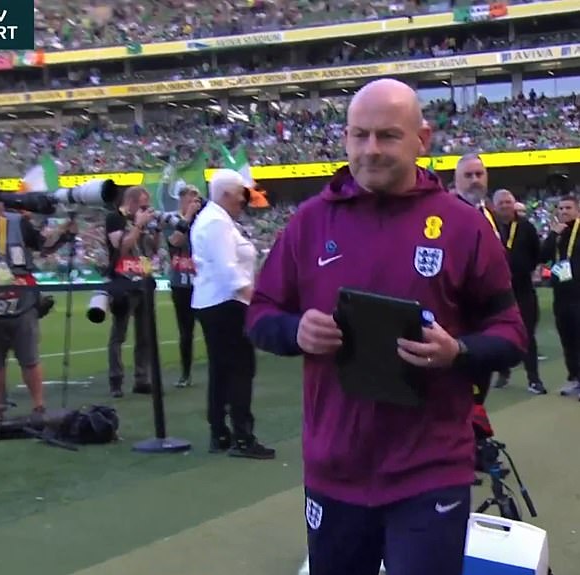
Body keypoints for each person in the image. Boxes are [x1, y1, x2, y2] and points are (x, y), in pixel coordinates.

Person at [246, 79, 526, 575]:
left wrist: (456, 351)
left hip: (430, 470)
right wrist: (295, 332)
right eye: (359, 135)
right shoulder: (309, 223)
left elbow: (510, 334)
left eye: (387, 136)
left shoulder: (463, 226)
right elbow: (260, 314)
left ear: (423, 139)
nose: (370, 150)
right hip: (335, 469)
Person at [190, 169, 275, 459]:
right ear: (226, 193)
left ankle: (220, 431)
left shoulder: (215, 219)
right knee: (240, 369)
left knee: (221, 370)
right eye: (240, 192)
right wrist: (254, 300)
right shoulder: (217, 223)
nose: (244, 198)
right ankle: (242, 435)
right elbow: (229, 269)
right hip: (227, 303)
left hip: (213, 302)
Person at [0, 201, 75, 419]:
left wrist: (64, 232)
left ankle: (39, 406)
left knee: (30, 358)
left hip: (23, 303)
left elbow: (43, 246)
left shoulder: (18, 223)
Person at [105, 186, 159, 398]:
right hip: (122, 281)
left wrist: (155, 230)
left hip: (143, 279)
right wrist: (138, 225)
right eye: (142, 205)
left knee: (144, 335)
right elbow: (122, 247)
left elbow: (153, 249)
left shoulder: (144, 221)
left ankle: (141, 378)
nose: (145, 209)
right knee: (119, 334)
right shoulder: (114, 218)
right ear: (131, 202)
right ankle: (116, 380)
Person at [492, 189, 547, 394]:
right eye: (501, 203)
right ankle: (503, 372)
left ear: (514, 204)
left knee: (527, 335)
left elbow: (536, 253)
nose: (505, 206)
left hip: (523, 289)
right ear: (495, 206)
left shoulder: (526, 227)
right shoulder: (491, 226)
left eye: (508, 202)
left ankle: (534, 379)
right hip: (498, 291)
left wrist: (527, 269)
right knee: (497, 334)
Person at [541, 195, 580, 398]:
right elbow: (542, 255)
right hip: (561, 294)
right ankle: (574, 377)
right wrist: (552, 236)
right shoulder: (558, 233)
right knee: (567, 338)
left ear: (577, 210)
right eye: (561, 208)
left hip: (578, 294)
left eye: (568, 208)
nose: (563, 211)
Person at [166, 185, 202, 388]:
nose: (194, 202)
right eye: (191, 197)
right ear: (182, 199)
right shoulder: (172, 219)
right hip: (181, 282)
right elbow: (175, 241)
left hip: (201, 282)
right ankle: (185, 373)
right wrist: (188, 216)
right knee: (185, 331)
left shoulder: (204, 220)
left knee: (209, 327)